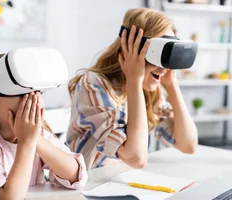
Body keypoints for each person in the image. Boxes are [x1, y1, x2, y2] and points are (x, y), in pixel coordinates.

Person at [67, 8, 198, 169]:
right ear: (131, 48)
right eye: (158, 54)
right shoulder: (93, 84)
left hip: (123, 179)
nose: (163, 68)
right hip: (89, 184)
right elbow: (136, 158)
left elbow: (188, 145)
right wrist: (134, 80)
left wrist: (172, 85)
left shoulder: (150, 90)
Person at [0, 54, 87, 200]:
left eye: (37, 92)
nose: (34, 99)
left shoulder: (35, 134)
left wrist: (34, 138)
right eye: (22, 93)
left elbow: (76, 176)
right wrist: (27, 142)